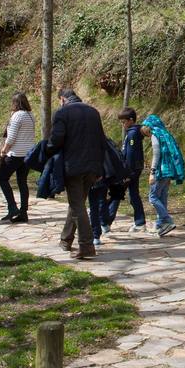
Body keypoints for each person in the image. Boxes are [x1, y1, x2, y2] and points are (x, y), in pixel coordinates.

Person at [49, 88, 106, 259]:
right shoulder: (94, 112)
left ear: (63, 99)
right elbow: (101, 140)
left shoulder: (62, 113)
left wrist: (47, 151)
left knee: (77, 206)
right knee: (78, 203)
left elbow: (56, 139)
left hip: (73, 166)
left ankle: (87, 246)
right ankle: (66, 240)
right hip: (93, 166)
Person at [142, 113, 185, 238]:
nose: (148, 134)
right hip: (170, 170)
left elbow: (156, 154)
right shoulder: (166, 134)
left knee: (153, 197)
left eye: (147, 132)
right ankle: (161, 224)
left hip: (161, 171)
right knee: (162, 197)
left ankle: (167, 220)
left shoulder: (155, 135)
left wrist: (152, 172)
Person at [0, 92, 37, 222]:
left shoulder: (17, 116)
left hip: (15, 154)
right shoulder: (30, 115)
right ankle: (23, 212)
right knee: (22, 182)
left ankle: (12, 207)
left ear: (15, 103)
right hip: (27, 154)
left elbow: (11, 138)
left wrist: (3, 150)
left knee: (2, 178)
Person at [108, 108, 148, 233]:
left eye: (124, 122)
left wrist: (126, 172)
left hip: (130, 170)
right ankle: (140, 223)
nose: (122, 124)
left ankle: (106, 222)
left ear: (131, 120)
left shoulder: (132, 134)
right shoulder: (132, 132)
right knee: (133, 195)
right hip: (133, 169)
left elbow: (130, 155)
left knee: (117, 193)